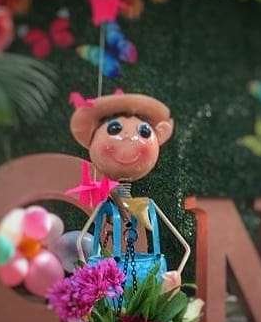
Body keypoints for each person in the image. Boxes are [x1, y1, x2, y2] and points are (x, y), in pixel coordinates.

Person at [69, 91, 190, 288]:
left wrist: (176, 276)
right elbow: (80, 242)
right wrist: (87, 271)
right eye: (114, 129)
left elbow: (185, 247)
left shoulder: (145, 206)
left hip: (140, 285)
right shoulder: (118, 205)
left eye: (144, 132)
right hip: (112, 287)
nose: (129, 137)